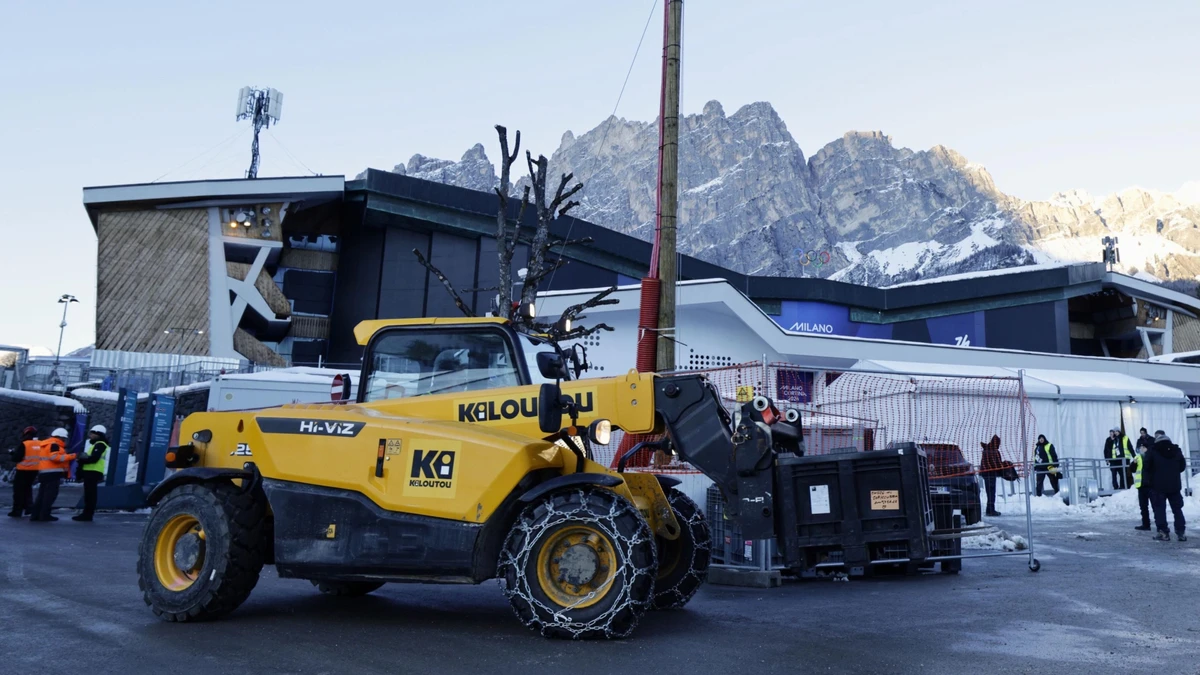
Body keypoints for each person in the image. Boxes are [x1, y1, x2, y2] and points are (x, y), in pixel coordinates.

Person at [1143, 430, 1187, 542]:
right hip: (1174, 485)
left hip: (1157, 486)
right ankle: (1181, 532)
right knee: (1177, 509)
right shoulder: (1176, 450)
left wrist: (1149, 480)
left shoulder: (1153, 450)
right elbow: (1182, 466)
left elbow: (1146, 466)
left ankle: (1163, 533)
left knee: (1159, 510)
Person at [30, 428, 76, 522]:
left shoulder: (44, 444)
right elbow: (54, 457)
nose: (64, 440)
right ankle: (44, 515)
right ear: (60, 437)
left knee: (41, 495)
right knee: (49, 496)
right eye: (64, 438)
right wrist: (72, 456)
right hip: (53, 474)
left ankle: (35, 515)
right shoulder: (54, 444)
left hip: (44, 473)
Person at [73, 425, 110, 522]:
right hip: (92, 471)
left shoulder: (100, 444)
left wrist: (82, 460)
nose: (90, 436)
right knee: (89, 494)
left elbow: (94, 458)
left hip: (93, 471)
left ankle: (87, 514)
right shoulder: (97, 444)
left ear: (98, 434)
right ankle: (87, 514)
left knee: (90, 494)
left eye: (92, 434)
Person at [7, 426, 41, 518]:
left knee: (18, 491)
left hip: (23, 470)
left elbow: (16, 458)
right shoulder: (40, 444)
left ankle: (17, 511)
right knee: (27, 490)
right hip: (34, 470)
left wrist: (12, 453)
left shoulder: (25, 444)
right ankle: (29, 508)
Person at [980, 434, 1004, 517]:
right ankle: (991, 510)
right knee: (991, 492)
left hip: (985, 473)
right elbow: (996, 463)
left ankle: (989, 509)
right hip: (991, 473)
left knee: (989, 492)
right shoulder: (993, 451)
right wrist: (1002, 467)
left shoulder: (986, 449)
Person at [1132, 441, 1151, 531]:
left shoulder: (1151, 456)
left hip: (1150, 485)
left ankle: (1160, 525)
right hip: (1141, 485)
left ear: (1146, 448)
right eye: (1140, 448)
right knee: (1143, 506)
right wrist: (1134, 463)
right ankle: (1146, 524)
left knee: (1156, 506)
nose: (1141, 449)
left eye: (1142, 447)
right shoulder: (1137, 457)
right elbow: (1132, 469)